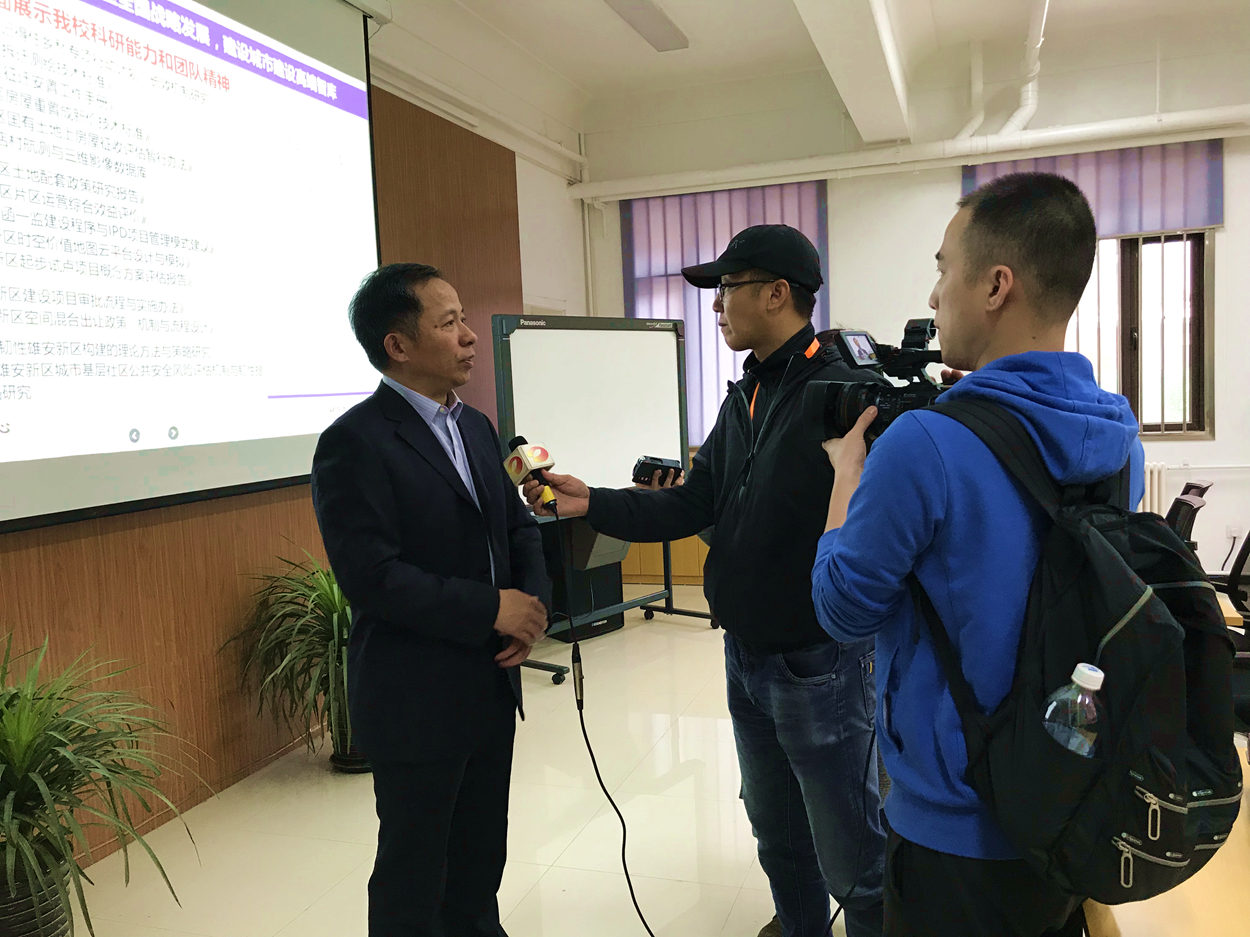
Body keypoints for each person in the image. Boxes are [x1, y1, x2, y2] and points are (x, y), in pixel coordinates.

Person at [523, 225, 886, 937]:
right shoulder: (747, 395)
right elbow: (694, 503)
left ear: (777, 294)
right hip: (745, 654)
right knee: (777, 831)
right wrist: (591, 501)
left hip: (818, 661)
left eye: (728, 288)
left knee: (851, 850)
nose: (716, 305)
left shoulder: (841, 397)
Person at [811, 172, 1144, 937]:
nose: (934, 296)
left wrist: (845, 481)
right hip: (1066, 792)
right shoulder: (1118, 438)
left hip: (952, 831)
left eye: (943, 270)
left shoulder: (924, 444)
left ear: (996, 285)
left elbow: (842, 609)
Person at [311, 263, 552, 937]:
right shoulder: (354, 442)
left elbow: (517, 527)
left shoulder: (475, 426)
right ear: (398, 345)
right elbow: (374, 577)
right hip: (415, 696)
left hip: (490, 684)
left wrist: (530, 608)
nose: (470, 336)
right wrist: (490, 608)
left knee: (479, 861)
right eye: (449, 323)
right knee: (415, 874)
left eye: (464, 318)